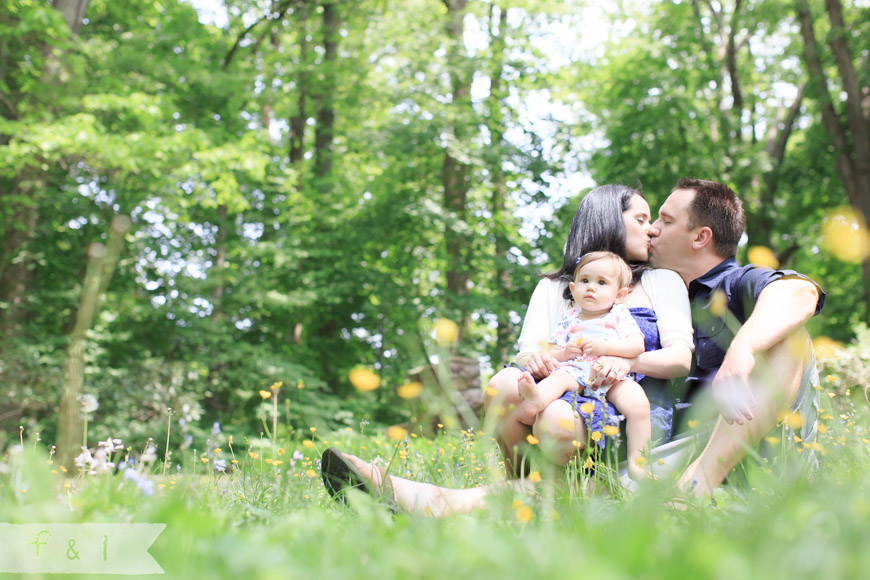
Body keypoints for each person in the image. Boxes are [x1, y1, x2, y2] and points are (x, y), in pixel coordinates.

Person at [321, 184, 695, 515]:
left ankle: (433, 500)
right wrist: (538, 357)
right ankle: (525, 493)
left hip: (621, 411)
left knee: (555, 420)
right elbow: (528, 351)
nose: (651, 229)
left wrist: (623, 358)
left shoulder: (661, 281)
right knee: (502, 385)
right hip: (562, 389)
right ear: (608, 219)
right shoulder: (554, 288)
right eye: (641, 217)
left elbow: (679, 358)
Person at [647, 178, 825, 500]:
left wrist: (743, 348)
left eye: (666, 220)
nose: (652, 229)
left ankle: (697, 486)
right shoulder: (650, 297)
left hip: (758, 456)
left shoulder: (738, 282)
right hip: (668, 454)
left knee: (788, 337)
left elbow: (800, 293)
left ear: (701, 237)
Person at [515, 251, 651, 481]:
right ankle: (537, 399)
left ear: (620, 294)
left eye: (601, 283)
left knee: (638, 403)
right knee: (558, 379)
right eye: (584, 281)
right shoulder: (569, 317)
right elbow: (551, 352)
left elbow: (637, 345)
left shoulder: (619, 314)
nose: (591, 288)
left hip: (609, 374)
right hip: (575, 370)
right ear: (572, 287)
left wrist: (606, 348)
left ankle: (638, 464)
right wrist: (565, 352)